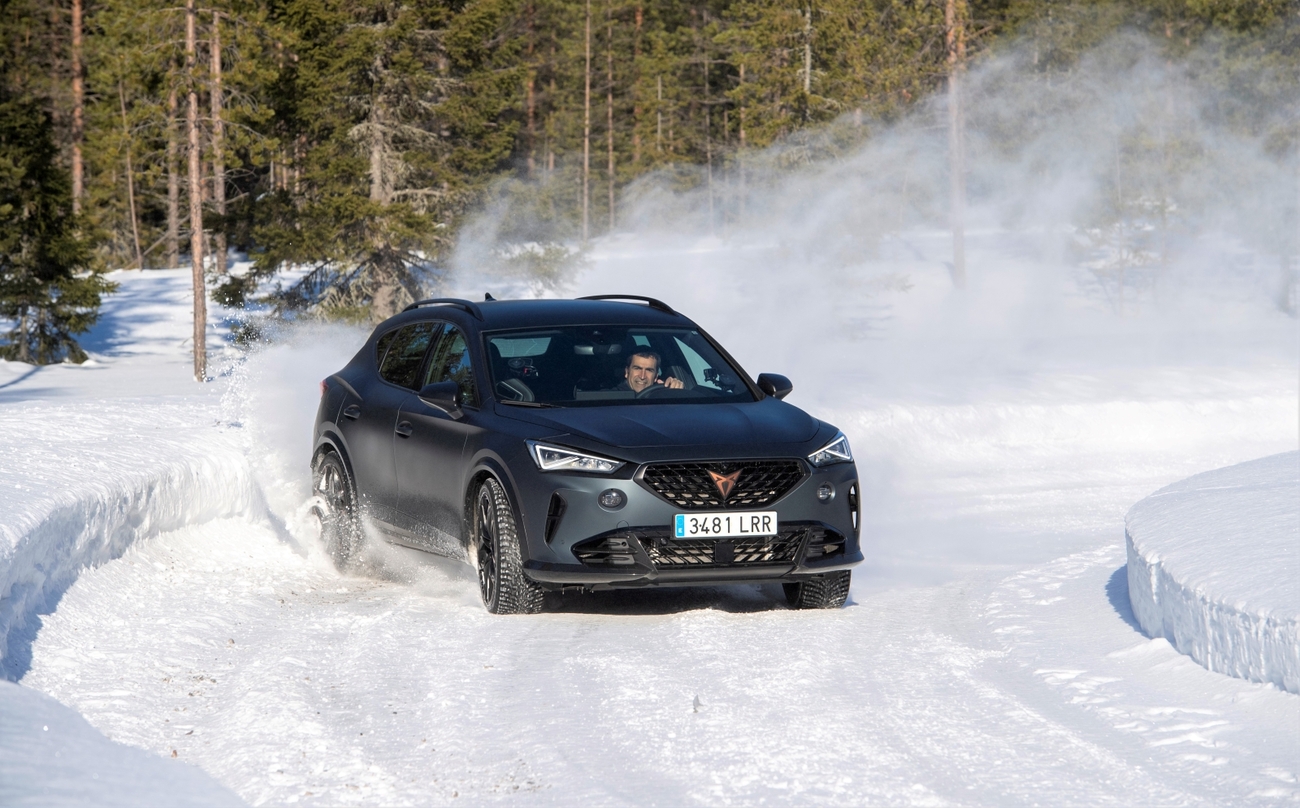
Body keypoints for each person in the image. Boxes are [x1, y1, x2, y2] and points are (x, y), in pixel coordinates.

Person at [616, 351, 684, 393]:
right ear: (627, 372)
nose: (642, 376)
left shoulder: (661, 397)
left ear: (656, 377)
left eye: (649, 370)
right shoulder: (611, 398)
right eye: (637, 368)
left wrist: (675, 391)